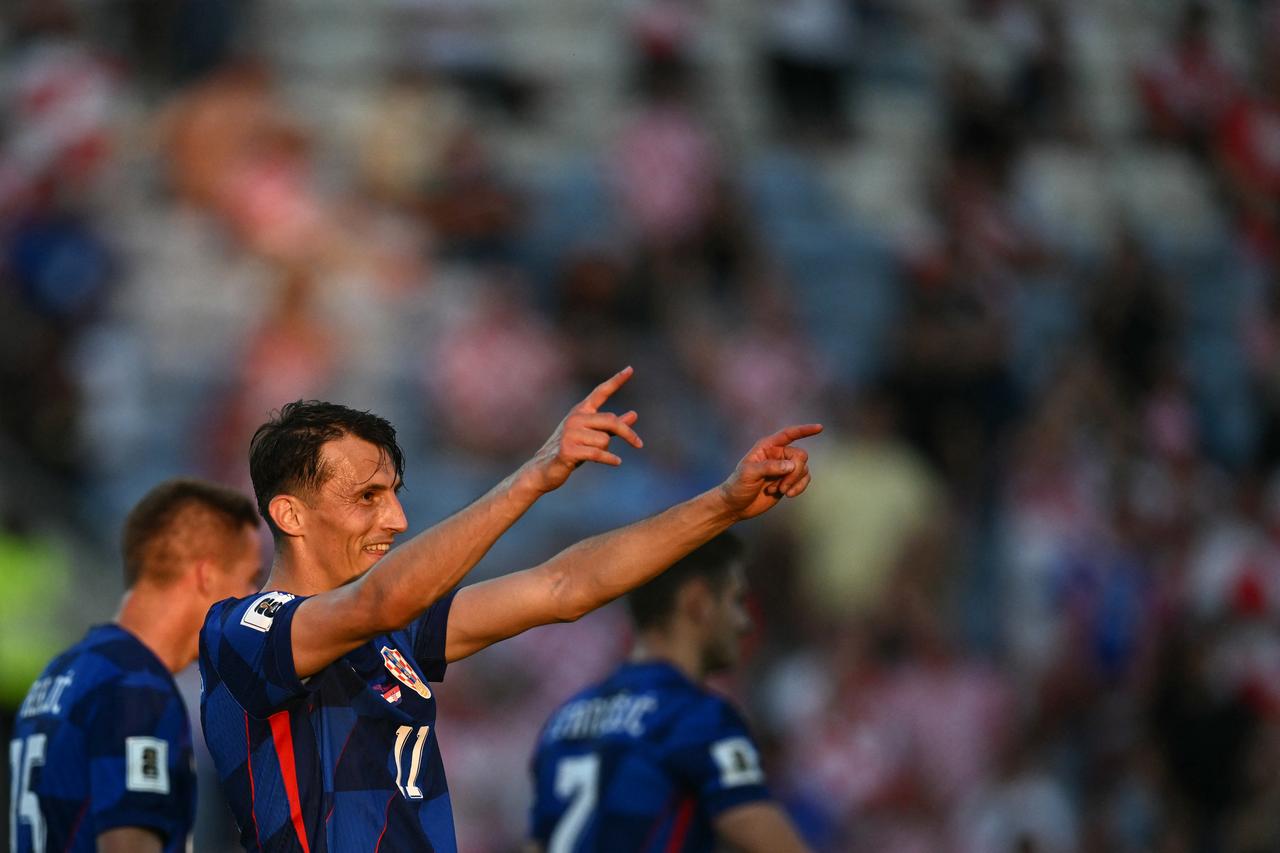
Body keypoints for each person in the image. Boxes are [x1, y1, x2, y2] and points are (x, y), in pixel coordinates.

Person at [198, 366, 819, 852]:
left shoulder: (391, 632)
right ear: (290, 515)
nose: (397, 519)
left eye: (393, 494)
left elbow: (563, 587)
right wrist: (535, 476)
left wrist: (723, 505)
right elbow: (383, 598)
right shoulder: (244, 630)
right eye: (367, 496)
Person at [9, 478, 262, 853]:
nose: (257, 599)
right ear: (206, 576)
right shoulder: (137, 688)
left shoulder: (60, 672)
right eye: (252, 580)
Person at [527, 532, 811, 853]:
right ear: (697, 603)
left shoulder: (564, 722)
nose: (744, 622)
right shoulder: (698, 718)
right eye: (735, 601)